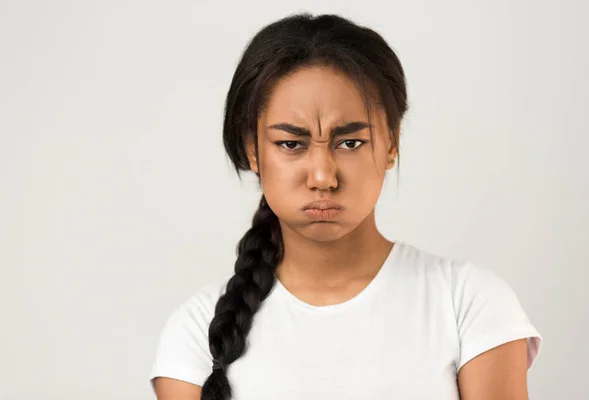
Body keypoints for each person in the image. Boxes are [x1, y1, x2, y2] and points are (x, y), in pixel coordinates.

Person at [149, 13, 542, 400]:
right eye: (291, 143)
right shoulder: (196, 333)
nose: (323, 176)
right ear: (253, 150)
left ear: (391, 144)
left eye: (350, 142)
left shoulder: (470, 303)